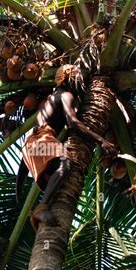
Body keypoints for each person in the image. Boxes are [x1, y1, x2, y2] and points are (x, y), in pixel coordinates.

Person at [17, 65, 117, 229]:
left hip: (30, 144)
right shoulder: (66, 95)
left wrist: (19, 186)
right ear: (70, 77)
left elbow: (24, 161)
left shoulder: (50, 99)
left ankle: (43, 206)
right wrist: (102, 140)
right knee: (65, 163)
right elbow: (73, 123)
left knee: (55, 171)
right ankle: (42, 208)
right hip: (42, 138)